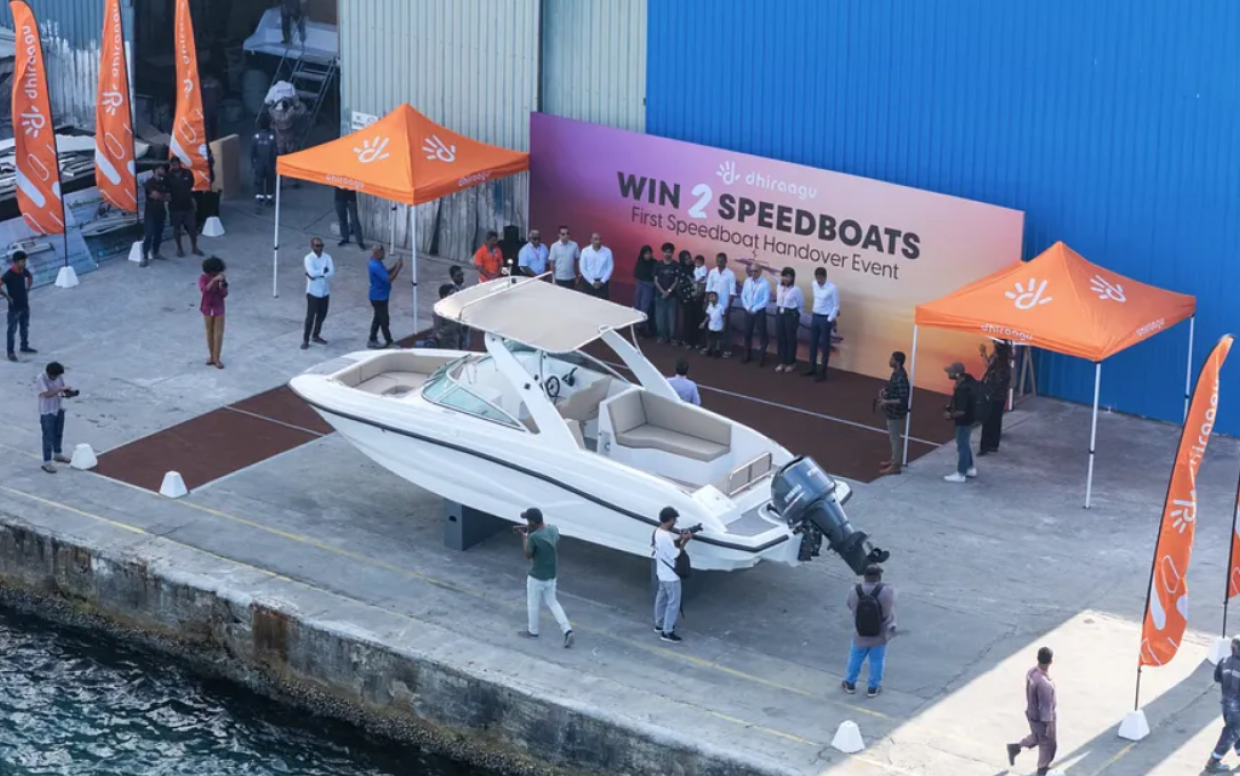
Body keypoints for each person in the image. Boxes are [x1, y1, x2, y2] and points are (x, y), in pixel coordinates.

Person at [516, 507, 574, 647]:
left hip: (537, 576)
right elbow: (551, 536)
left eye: (528, 521)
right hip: (551, 574)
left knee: (533, 603)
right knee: (553, 602)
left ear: (533, 522)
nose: (527, 523)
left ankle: (533, 631)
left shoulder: (534, 537)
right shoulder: (553, 529)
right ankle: (567, 630)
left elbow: (528, 554)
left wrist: (525, 538)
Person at [843, 564, 896, 698]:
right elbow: (888, 610)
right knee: (877, 661)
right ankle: (873, 687)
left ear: (864, 576)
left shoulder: (854, 590)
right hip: (879, 633)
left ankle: (850, 683)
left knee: (855, 658)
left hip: (860, 632)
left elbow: (849, 605)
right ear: (878, 576)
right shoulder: (886, 591)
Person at [1007, 647, 1057, 775]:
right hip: (1041, 718)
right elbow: (1045, 708)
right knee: (1048, 744)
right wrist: (1049, 726)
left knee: (1036, 737)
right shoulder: (1045, 684)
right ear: (1051, 661)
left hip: (1032, 713)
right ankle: (1042, 769)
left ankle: (1015, 747)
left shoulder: (1032, 672)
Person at [652, 507, 691, 643]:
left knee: (661, 599)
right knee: (673, 603)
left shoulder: (657, 532)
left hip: (661, 573)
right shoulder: (665, 537)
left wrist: (680, 538)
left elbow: (666, 548)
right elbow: (676, 554)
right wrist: (685, 541)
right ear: (670, 520)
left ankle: (659, 624)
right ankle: (667, 632)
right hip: (671, 576)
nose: (675, 523)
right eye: (674, 520)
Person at [1204, 636, 1240, 772]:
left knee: (1235, 730)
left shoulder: (1224, 661)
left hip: (1226, 703)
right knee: (1231, 733)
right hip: (1237, 707)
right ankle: (1213, 762)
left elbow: (1217, 677)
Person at [943, 362, 978, 483]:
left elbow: (961, 411)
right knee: (965, 444)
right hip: (970, 418)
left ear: (957, 374)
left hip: (964, 421)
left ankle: (961, 473)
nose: (948, 374)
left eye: (950, 372)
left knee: (962, 445)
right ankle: (970, 468)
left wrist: (950, 415)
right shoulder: (967, 381)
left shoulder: (962, 389)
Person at [877, 352, 910, 476]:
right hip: (892, 411)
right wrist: (886, 390)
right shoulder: (896, 374)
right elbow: (893, 388)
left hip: (896, 413)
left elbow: (903, 399)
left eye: (892, 359)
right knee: (893, 437)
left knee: (895, 438)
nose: (890, 361)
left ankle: (895, 465)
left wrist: (887, 401)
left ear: (897, 362)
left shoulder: (901, 378)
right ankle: (894, 459)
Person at [36, 361, 73, 473]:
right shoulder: (41, 378)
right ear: (49, 373)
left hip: (58, 407)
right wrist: (60, 390)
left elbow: (62, 389)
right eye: (55, 376)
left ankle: (57, 454)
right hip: (47, 411)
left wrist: (68, 393)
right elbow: (45, 394)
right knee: (48, 436)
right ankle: (47, 462)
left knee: (58, 432)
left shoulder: (58, 376)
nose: (57, 377)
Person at [804, 267, 839, 382]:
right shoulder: (814, 284)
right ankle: (812, 368)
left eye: (820, 278)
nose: (818, 281)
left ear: (825, 277)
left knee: (825, 346)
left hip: (825, 318)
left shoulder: (832, 288)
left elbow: (836, 306)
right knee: (813, 344)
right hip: (815, 316)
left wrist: (829, 319)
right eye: (817, 278)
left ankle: (823, 372)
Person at [979, 340, 1013, 455]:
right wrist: (984, 354)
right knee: (996, 420)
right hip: (1000, 396)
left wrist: (987, 393)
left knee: (988, 421)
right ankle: (993, 444)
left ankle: (984, 447)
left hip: (993, 396)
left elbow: (993, 377)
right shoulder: (1004, 361)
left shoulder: (999, 363)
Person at [165, 157, 202, 259]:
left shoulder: (187, 173)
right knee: (177, 228)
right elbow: (166, 190)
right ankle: (179, 249)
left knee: (192, 227)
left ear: (179, 163)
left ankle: (194, 248)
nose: (175, 166)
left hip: (188, 205)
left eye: (176, 164)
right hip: (175, 207)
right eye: (173, 165)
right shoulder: (168, 176)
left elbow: (191, 184)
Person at [301, 237, 334, 350]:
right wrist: (322, 272)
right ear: (312, 246)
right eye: (317, 246)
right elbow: (311, 272)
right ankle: (305, 339)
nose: (320, 248)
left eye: (321, 245)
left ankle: (316, 335)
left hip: (325, 291)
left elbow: (331, 273)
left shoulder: (327, 257)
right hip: (313, 292)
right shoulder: (308, 258)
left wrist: (317, 275)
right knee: (310, 317)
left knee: (322, 314)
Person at [367, 245, 402, 349]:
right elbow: (389, 279)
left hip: (380, 296)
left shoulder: (376, 262)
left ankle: (372, 339)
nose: (384, 254)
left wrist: (395, 266)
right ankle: (389, 342)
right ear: (377, 253)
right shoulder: (375, 266)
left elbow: (385, 273)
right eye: (382, 252)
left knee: (378, 319)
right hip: (379, 298)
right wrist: (398, 268)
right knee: (384, 320)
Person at [2, 251, 35, 362]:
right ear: (16, 262)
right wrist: (7, 296)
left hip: (24, 305)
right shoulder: (9, 274)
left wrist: (28, 289)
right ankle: (10, 352)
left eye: (25, 261)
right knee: (12, 330)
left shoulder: (23, 270)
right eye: (22, 261)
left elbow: (30, 276)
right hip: (14, 308)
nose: (24, 263)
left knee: (25, 327)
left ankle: (24, 345)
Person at [704, 253, 737, 357]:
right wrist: (707, 303)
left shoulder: (730, 274)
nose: (719, 263)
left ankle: (726, 349)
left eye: (722, 261)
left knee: (724, 328)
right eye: (718, 261)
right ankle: (709, 348)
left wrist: (728, 307)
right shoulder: (712, 272)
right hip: (712, 305)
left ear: (726, 261)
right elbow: (708, 289)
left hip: (724, 306)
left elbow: (732, 293)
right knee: (710, 327)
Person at [198, 256, 228, 369]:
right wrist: (214, 281)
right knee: (209, 332)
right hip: (207, 307)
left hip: (218, 307)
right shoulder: (203, 278)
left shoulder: (221, 278)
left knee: (218, 334)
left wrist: (221, 286)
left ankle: (217, 358)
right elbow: (205, 290)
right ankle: (211, 355)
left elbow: (224, 294)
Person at [740, 263, 771, 365]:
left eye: (755, 271)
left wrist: (755, 309)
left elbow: (766, 300)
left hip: (759, 311)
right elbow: (743, 296)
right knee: (747, 333)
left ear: (760, 271)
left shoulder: (765, 283)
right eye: (751, 271)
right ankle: (747, 354)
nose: (753, 273)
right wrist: (747, 307)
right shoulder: (747, 281)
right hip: (748, 310)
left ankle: (762, 356)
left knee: (762, 334)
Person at [774, 267, 804, 373]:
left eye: (788, 276)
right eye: (784, 276)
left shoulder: (796, 290)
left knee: (790, 339)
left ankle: (791, 363)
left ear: (793, 278)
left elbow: (800, 305)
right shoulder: (779, 287)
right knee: (781, 338)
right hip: (780, 313)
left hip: (790, 315)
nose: (786, 279)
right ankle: (782, 362)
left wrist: (796, 316)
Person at [141, 164, 170, 266]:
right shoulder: (150, 182)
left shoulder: (164, 182)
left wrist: (159, 196)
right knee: (149, 234)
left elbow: (168, 197)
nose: (164, 171)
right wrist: (160, 196)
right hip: (150, 213)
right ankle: (145, 257)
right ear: (156, 170)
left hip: (161, 212)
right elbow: (157, 195)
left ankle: (156, 253)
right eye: (161, 169)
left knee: (159, 233)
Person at [676, 252, 706, 348]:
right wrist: (684, 297)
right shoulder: (680, 270)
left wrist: (698, 293)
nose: (689, 260)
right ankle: (687, 340)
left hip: (697, 299)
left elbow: (702, 281)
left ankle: (697, 341)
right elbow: (679, 285)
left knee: (697, 319)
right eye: (686, 259)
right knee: (687, 320)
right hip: (686, 299)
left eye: (689, 258)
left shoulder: (695, 267)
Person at [652, 244, 681, 344]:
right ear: (662, 252)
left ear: (672, 253)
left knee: (672, 319)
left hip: (672, 296)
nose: (667, 254)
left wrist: (668, 291)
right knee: (660, 318)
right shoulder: (658, 265)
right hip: (659, 296)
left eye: (669, 252)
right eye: (665, 252)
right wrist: (662, 292)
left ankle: (673, 338)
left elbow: (676, 281)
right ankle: (662, 337)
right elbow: (655, 280)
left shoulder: (676, 265)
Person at [251, 117, 277, 211]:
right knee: (270, 181)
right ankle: (269, 199)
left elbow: (252, 153)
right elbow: (275, 153)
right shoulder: (272, 137)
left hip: (259, 164)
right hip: (270, 164)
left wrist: (252, 165)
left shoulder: (255, 137)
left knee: (258, 181)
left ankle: (259, 199)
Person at [632, 244, 657, 334]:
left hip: (649, 287)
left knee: (645, 307)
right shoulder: (640, 262)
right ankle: (638, 325)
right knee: (637, 305)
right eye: (646, 254)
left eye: (649, 253)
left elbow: (655, 276)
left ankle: (644, 327)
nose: (648, 256)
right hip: (640, 286)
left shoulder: (655, 263)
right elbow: (636, 274)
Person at [579, 233, 613, 299]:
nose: (598, 241)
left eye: (600, 239)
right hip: (588, 282)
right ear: (591, 240)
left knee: (603, 303)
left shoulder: (607, 251)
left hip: (603, 283)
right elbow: (583, 268)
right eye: (596, 239)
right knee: (587, 302)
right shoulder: (585, 251)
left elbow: (610, 267)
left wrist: (602, 281)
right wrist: (592, 282)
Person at [432, 284, 465, 349]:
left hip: (454, 339)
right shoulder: (440, 308)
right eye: (451, 293)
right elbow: (438, 325)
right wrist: (439, 333)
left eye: (455, 293)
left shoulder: (454, 307)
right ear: (444, 296)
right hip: (445, 341)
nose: (454, 295)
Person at [700, 291, 725, 357]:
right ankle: (709, 349)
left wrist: (723, 326)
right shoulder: (709, 306)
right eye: (710, 297)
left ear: (717, 298)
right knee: (710, 338)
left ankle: (717, 351)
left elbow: (723, 317)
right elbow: (708, 316)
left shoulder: (721, 307)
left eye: (712, 296)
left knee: (717, 340)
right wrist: (703, 323)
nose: (711, 298)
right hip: (711, 326)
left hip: (718, 327)